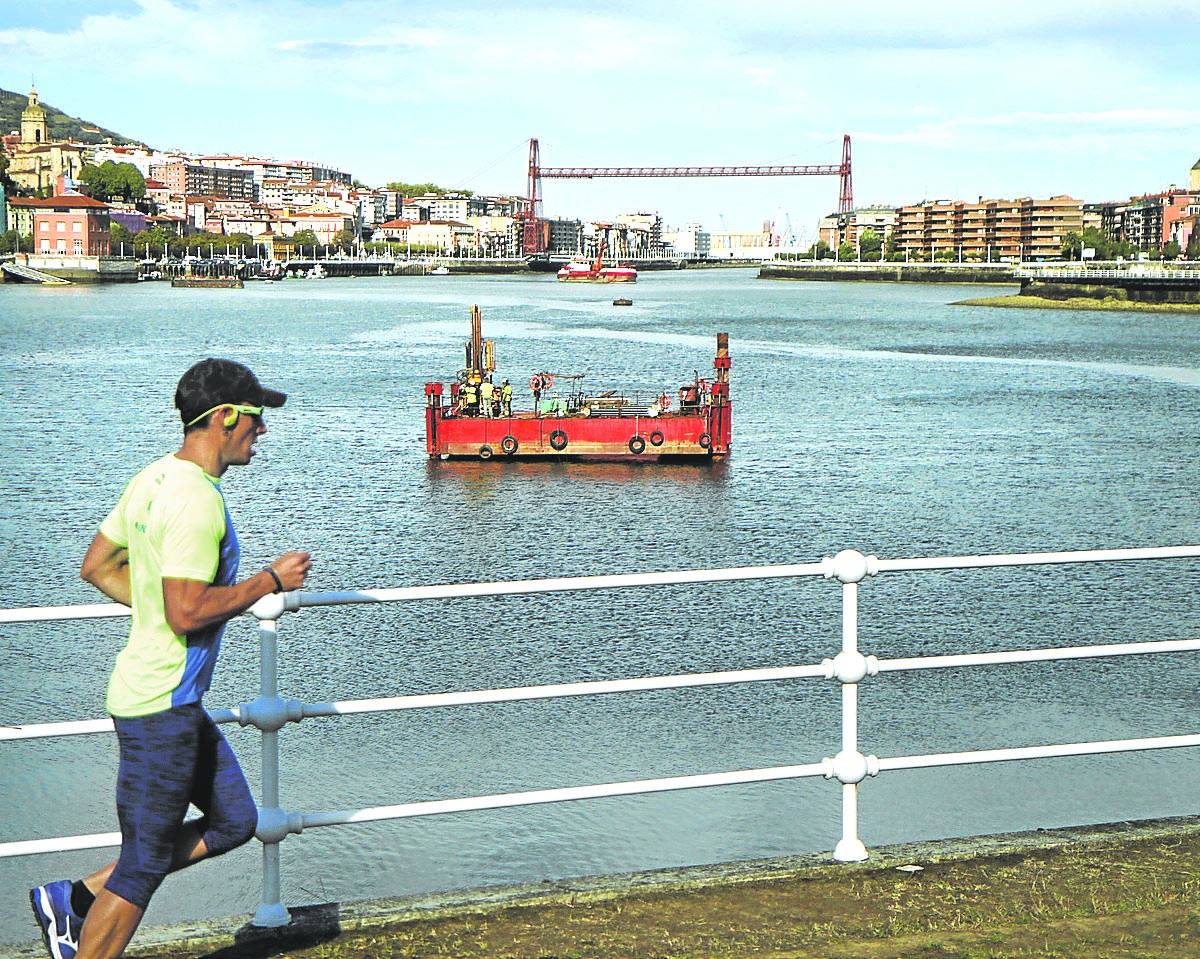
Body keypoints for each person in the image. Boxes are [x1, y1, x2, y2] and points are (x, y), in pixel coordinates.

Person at [28, 358, 313, 959]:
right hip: (161, 706)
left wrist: (159, 604)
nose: (262, 431)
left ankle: (74, 901)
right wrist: (267, 580)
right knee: (146, 862)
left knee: (235, 820)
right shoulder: (196, 502)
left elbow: (99, 566)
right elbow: (186, 613)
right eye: (257, 419)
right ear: (226, 417)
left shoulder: (153, 478)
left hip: (168, 700)